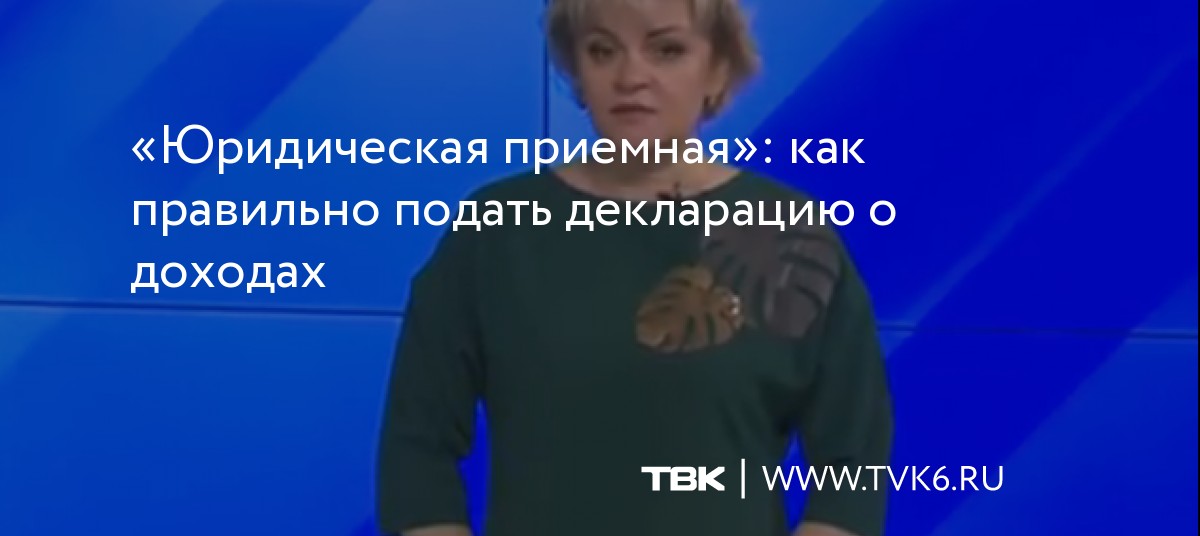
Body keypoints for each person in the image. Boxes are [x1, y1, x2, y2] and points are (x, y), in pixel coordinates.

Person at [375, 0, 894, 535]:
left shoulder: (788, 234)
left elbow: (853, 462)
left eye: (666, 50)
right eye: (602, 51)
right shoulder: (497, 232)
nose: (630, 77)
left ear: (718, 68)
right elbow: (417, 449)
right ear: (577, 71)